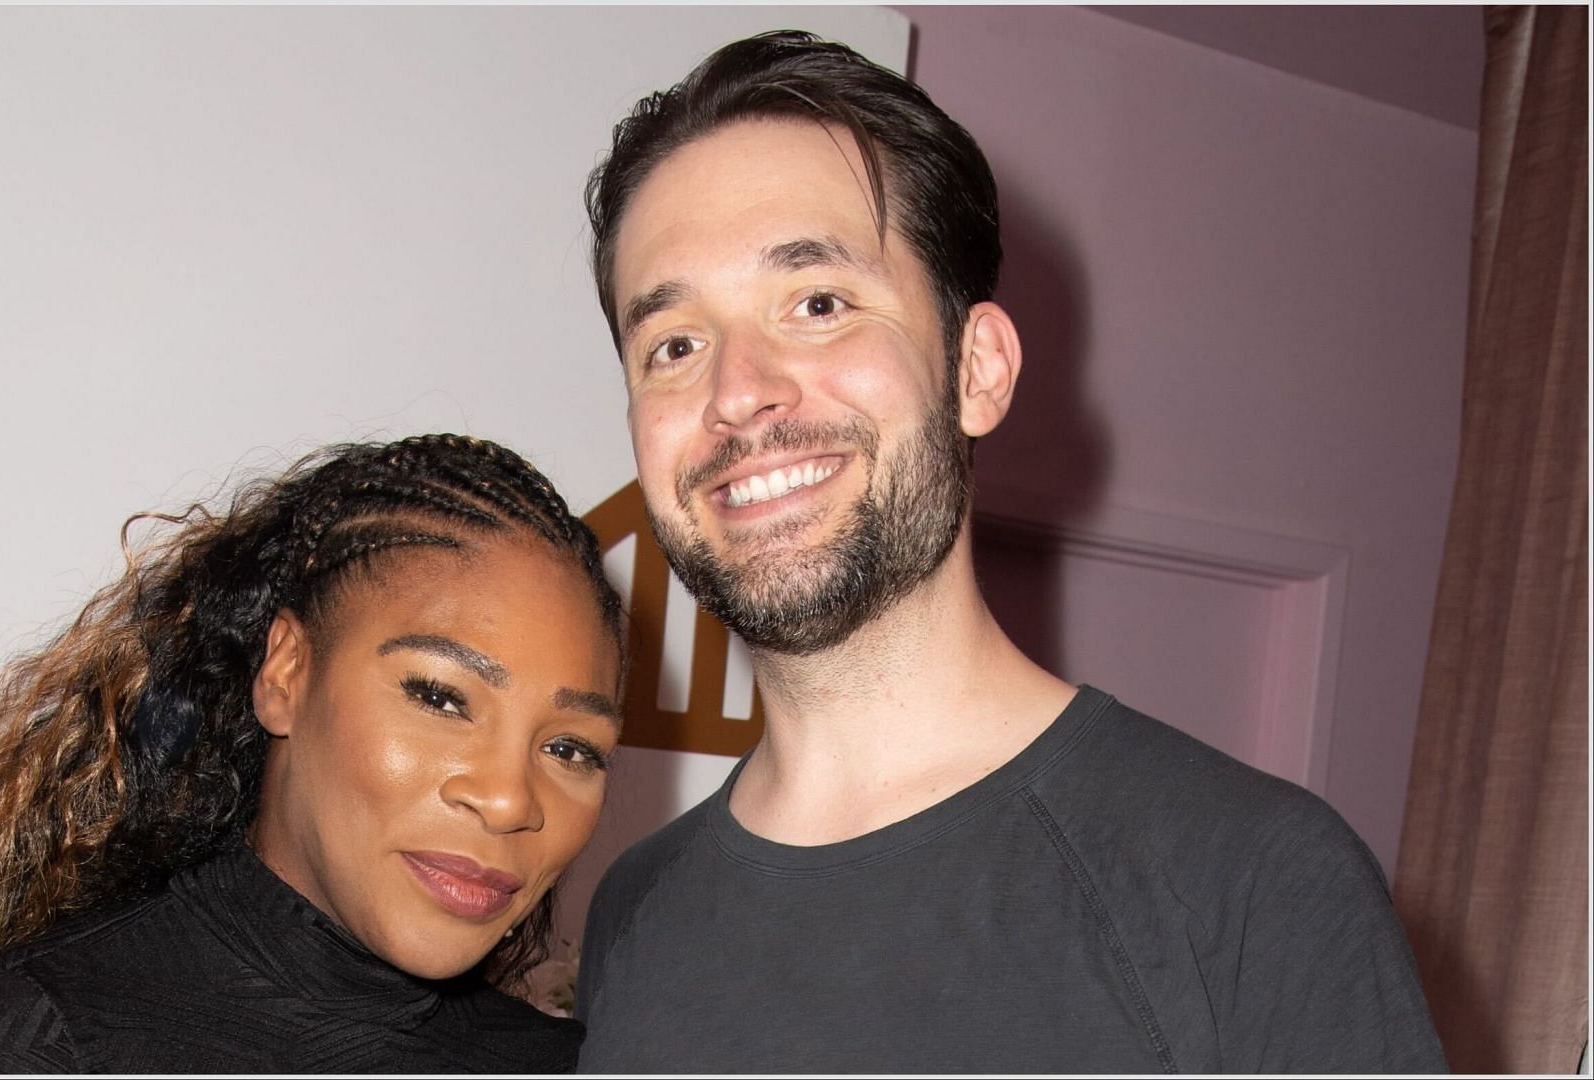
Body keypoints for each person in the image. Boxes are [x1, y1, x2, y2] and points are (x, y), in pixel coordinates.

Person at [573, 31, 1446, 1073]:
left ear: (977, 368)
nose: (735, 392)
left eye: (818, 304)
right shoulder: (631, 911)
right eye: (674, 345)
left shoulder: (1253, 884)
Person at [0, 434, 626, 1073]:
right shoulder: (16, 1045)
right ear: (285, 673)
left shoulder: (567, 1066)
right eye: (440, 697)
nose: (511, 798)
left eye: (570, 748)